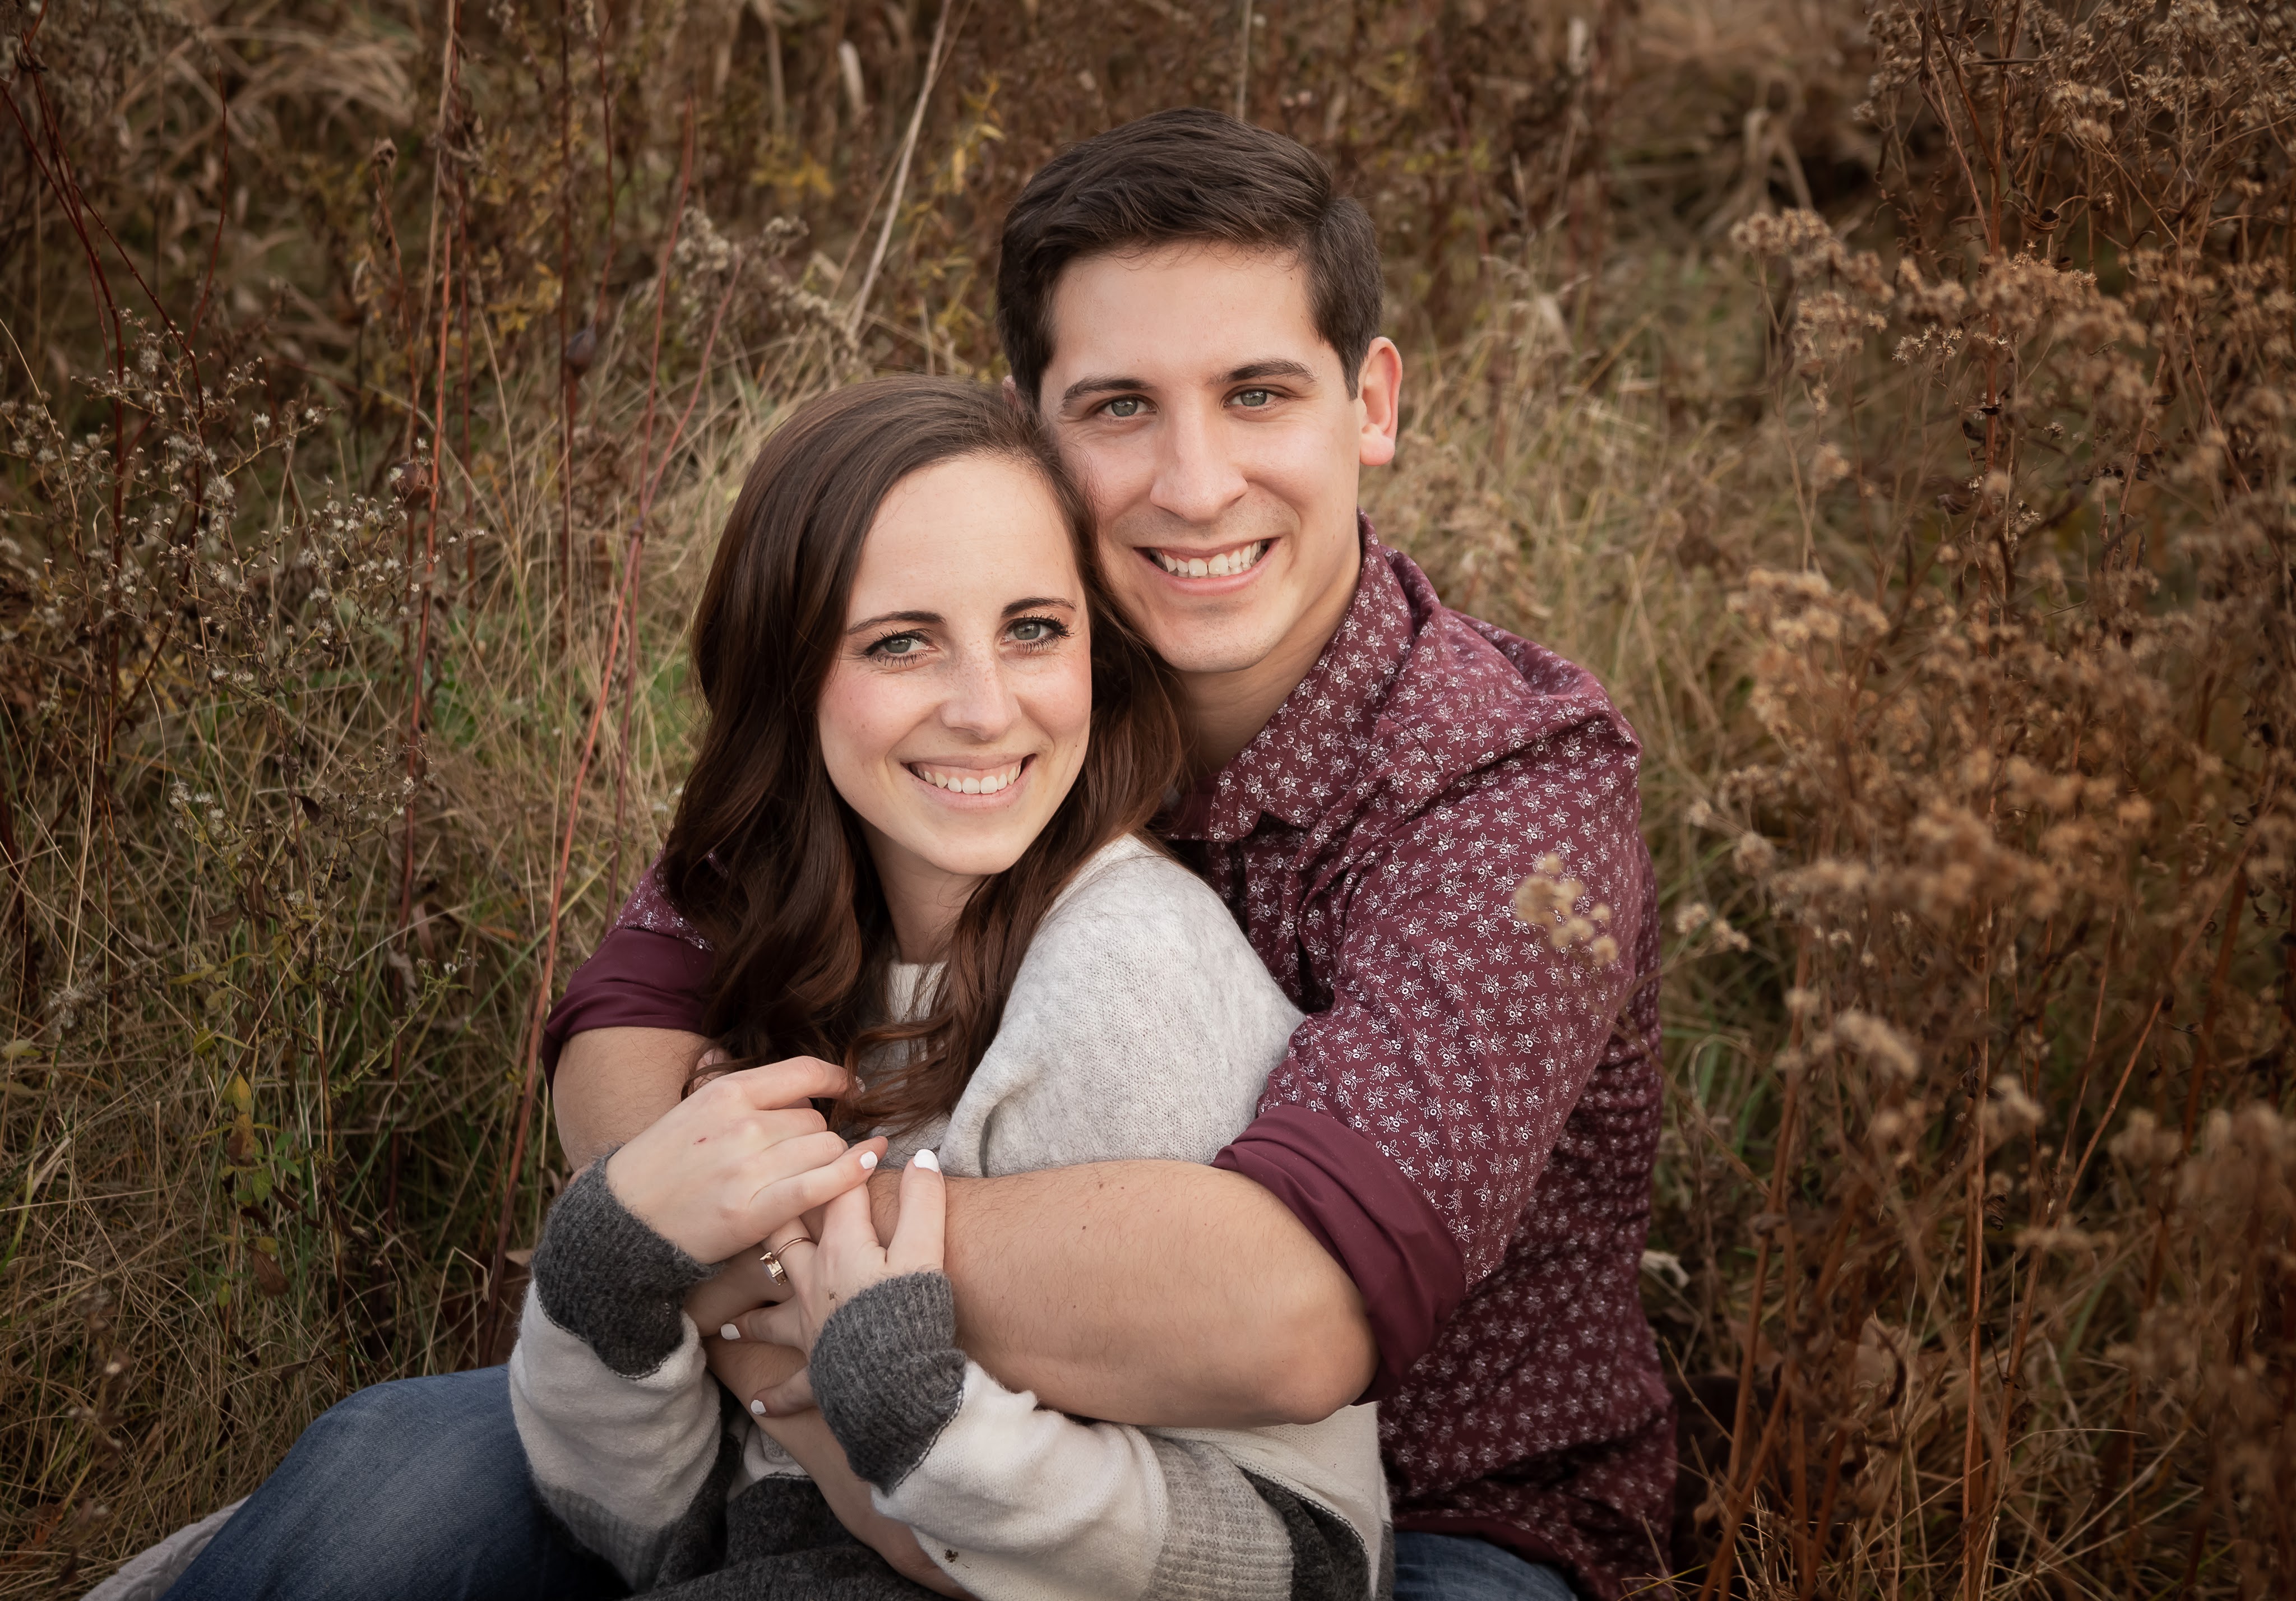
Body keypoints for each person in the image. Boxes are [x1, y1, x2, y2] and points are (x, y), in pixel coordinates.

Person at [150, 108, 1670, 1601]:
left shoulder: (1508, 783)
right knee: (377, 1482)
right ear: (1033, 430)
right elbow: (636, 1009)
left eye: (1258, 393)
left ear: (1370, 404)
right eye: (1119, 406)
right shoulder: (998, 670)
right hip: (873, 1387)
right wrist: (679, 1240)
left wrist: (772, 1247)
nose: (1196, 482)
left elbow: (1291, 1318)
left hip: (1418, 1513)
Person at [506, 374, 1387, 1599]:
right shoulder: (793, 936)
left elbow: (1301, 1560)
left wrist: (903, 1423)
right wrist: (607, 1269)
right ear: (787, 673)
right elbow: (656, 1537)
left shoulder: (1123, 974)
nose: (984, 710)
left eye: (1034, 630)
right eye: (900, 642)